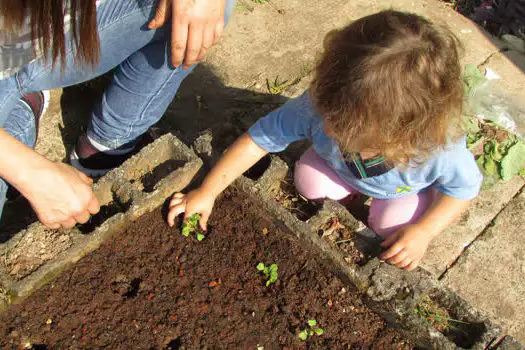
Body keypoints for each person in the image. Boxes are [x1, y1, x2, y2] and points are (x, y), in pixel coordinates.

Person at [167, 10, 482, 271]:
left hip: (400, 193)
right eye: (329, 118)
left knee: (392, 226)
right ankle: (349, 199)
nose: (327, 129)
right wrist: (208, 191)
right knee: (308, 181)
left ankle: (385, 211)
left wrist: (424, 232)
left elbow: (461, 191)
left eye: (345, 131)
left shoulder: (438, 149)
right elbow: (258, 140)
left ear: (402, 136)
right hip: (341, 170)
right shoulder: (321, 104)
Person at [0, 0, 235, 229]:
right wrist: (28, 172)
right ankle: (21, 111)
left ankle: (102, 147)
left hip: (42, 33)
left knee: (205, 11)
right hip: (8, 49)